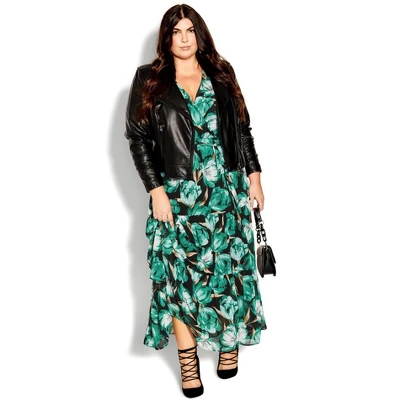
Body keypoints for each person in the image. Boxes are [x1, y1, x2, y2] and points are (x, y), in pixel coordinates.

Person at [125, 4, 267, 398]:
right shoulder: (148, 79)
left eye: (190, 30)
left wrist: (255, 177)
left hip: (225, 192)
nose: (184, 38)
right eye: (176, 32)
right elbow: (137, 138)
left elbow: (242, 130)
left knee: (229, 273)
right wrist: (155, 190)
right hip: (177, 197)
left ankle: (228, 343)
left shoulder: (222, 73)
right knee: (178, 280)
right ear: (166, 38)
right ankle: (188, 366)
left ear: (199, 34)